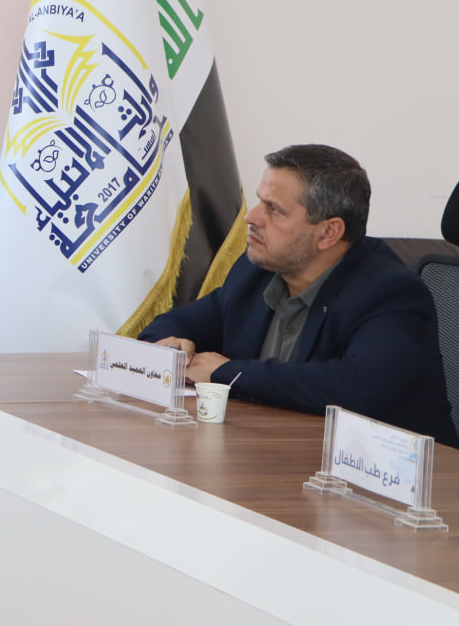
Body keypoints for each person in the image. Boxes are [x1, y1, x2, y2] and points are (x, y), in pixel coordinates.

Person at [140, 144, 458, 446]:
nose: (251, 217)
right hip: (272, 455)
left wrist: (227, 373)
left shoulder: (390, 293)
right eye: (260, 201)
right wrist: (173, 350)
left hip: (394, 475)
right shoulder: (255, 272)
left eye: (273, 209)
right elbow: (167, 327)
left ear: (328, 232)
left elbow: (356, 388)